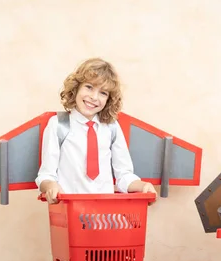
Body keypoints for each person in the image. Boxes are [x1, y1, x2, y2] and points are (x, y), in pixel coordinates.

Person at [35, 57, 157, 204]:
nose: (94, 97)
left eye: (103, 93)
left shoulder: (112, 127)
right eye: (89, 87)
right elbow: (46, 175)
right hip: (70, 210)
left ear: (109, 100)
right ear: (76, 88)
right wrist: (51, 186)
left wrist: (143, 186)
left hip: (104, 215)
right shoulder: (58, 125)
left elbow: (124, 175)